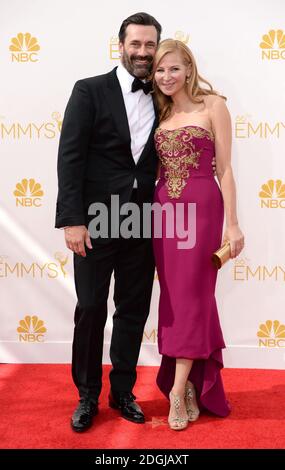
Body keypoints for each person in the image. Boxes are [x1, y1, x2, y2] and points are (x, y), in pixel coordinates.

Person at [55, 12, 162, 431]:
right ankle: (86, 395)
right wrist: (72, 220)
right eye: (135, 44)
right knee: (91, 308)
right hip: (96, 219)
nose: (142, 52)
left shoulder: (162, 93)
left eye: (149, 45)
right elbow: (70, 157)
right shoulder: (89, 91)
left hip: (142, 217)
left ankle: (122, 391)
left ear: (157, 46)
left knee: (133, 309)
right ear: (120, 45)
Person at [152, 39, 244, 430]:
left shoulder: (214, 106)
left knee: (192, 296)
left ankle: (175, 391)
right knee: (176, 298)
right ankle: (190, 383)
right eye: (159, 70)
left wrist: (234, 224)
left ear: (189, 68)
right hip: (164, 215)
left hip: (203, 211)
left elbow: (225, 169)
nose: (166, 77)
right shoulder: (161, 111)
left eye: (173, 68)